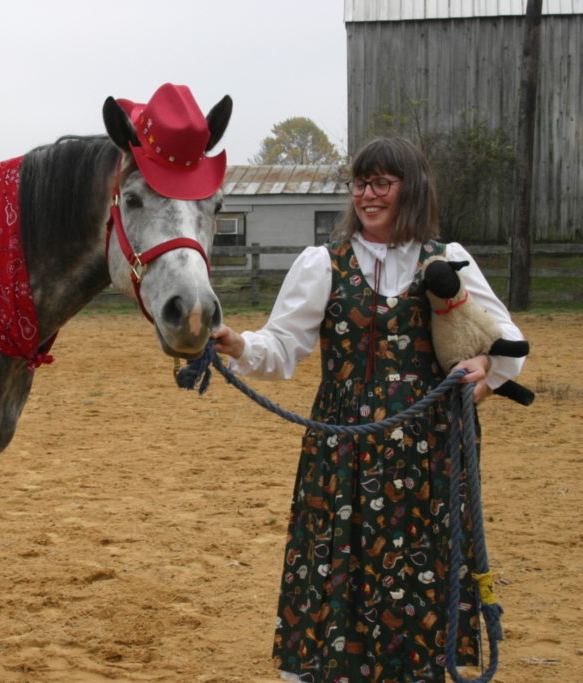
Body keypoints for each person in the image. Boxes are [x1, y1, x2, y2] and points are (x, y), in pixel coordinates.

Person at [212, 137, 525, 683]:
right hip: (344, 442)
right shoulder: (323, 263)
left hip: (427, 445)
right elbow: (283, 346)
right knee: (339, 552)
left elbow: (505, 340)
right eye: (360, 183)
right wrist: (239, 344)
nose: (367, 195)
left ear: (411, 188)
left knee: (419, 558)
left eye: (382, 183)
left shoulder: (447, 259)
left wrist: (486, 370)